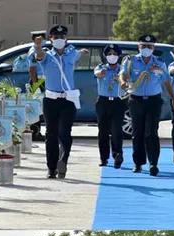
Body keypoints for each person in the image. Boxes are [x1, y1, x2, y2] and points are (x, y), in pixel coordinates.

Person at [31, 25, 89, 179]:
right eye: (56, 37)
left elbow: (78, 53)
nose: (59, 40)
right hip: (51, 100)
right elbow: (39, 56)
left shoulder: (71, 54)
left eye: (62, 37)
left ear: (66, 39)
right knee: (51, 134)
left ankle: (63, 161)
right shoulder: (47, 56)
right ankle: (51, 168)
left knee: (65, 132)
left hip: (68, 99)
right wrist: (37, 45)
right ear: (51, 39)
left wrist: (83, 52)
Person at [119, 35, 174, 176]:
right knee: (137, 132)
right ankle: (138, 163)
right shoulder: (130, 61)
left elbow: (167, 81)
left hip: (154, 101)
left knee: (151, 132)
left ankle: (153, 163)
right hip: (136, 100)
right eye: (144, 46)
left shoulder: (159, 62)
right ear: (139, 47)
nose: (146, 49)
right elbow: (123, 74)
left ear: (154, 48)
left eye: (149, 46)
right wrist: (123, 82)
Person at [94, 43, 126, 168]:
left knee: (117, 130)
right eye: (109, 54)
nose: (112, 56)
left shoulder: (122, 69)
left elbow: (127, 79)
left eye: (114, 54)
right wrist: (101, 73)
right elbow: (97, 74)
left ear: (118, 56)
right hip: (103, 102)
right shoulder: (101, 67)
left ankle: (118, 155)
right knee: (103, 131)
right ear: (105, 56)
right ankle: (104, 157)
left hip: (118, 102)